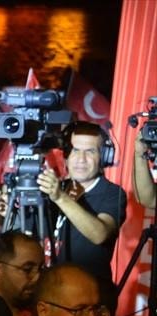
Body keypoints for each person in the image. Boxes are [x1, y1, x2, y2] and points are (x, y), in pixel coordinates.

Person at [39, 122, 128, 306]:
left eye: (90, 151)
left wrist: (60, 198)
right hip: (51, 292)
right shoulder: (57, 188)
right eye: (75, 150)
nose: (81, 159)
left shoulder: (112, 193)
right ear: (66, 156)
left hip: (89, 300)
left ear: (104, 157)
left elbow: (99, 234)